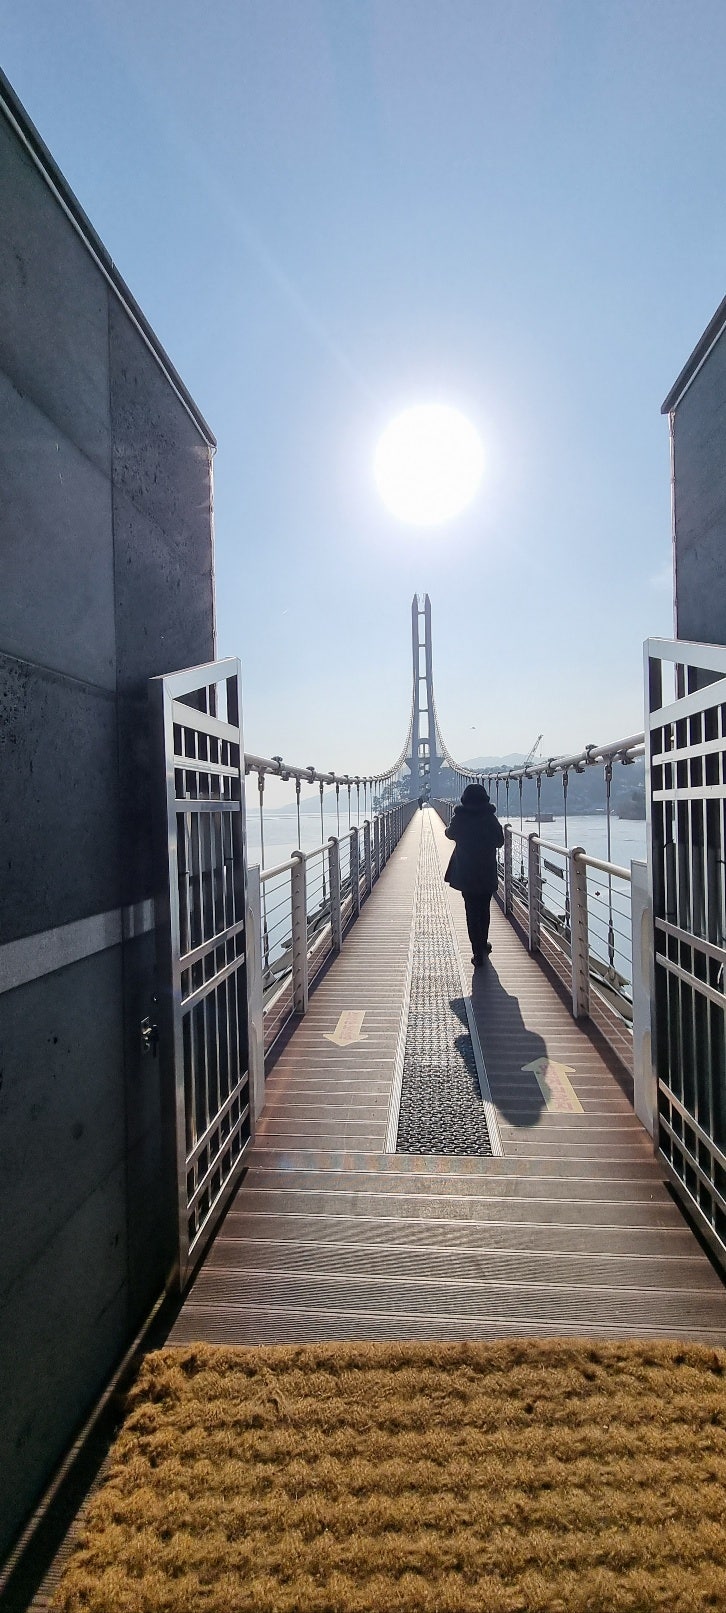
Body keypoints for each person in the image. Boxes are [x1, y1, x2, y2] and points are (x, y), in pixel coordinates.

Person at [444, 782, 504, 966]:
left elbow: (449, 834)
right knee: (484, 909)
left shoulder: (460, 817)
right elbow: (499, 841)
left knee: (471, 911)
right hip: (485, 870)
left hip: (466, 871)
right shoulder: (489, 817)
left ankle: (477, 951)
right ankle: (483, 944)